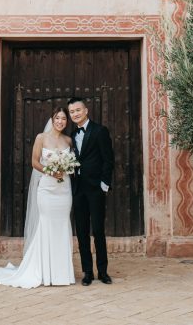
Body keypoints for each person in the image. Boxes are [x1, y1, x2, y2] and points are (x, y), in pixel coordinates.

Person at [0, 107, 75, 288]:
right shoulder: (41, 138)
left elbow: (73, 164)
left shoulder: (68, 140)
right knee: (46, 224)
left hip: (64, 189)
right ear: (52, 119)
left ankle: (62, 273)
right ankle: (44, 271)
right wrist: (51, 171)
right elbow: (35, 162)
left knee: (62, 224)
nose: (60, 121)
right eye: (57, 118)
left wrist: (65, 169)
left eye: (63, 118)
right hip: (47, 188)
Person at [68, 97, 115, 286]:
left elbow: (108, 159)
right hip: (78, 190)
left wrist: (104, 185)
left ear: (86, 110)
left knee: (98, 230)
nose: (75, 114)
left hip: (95, 189)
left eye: (78, 110)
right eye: (72, 112)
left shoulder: (99, 131)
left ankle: (103, 271)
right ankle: (87, 272)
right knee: (81, 232)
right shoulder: (72, 135)